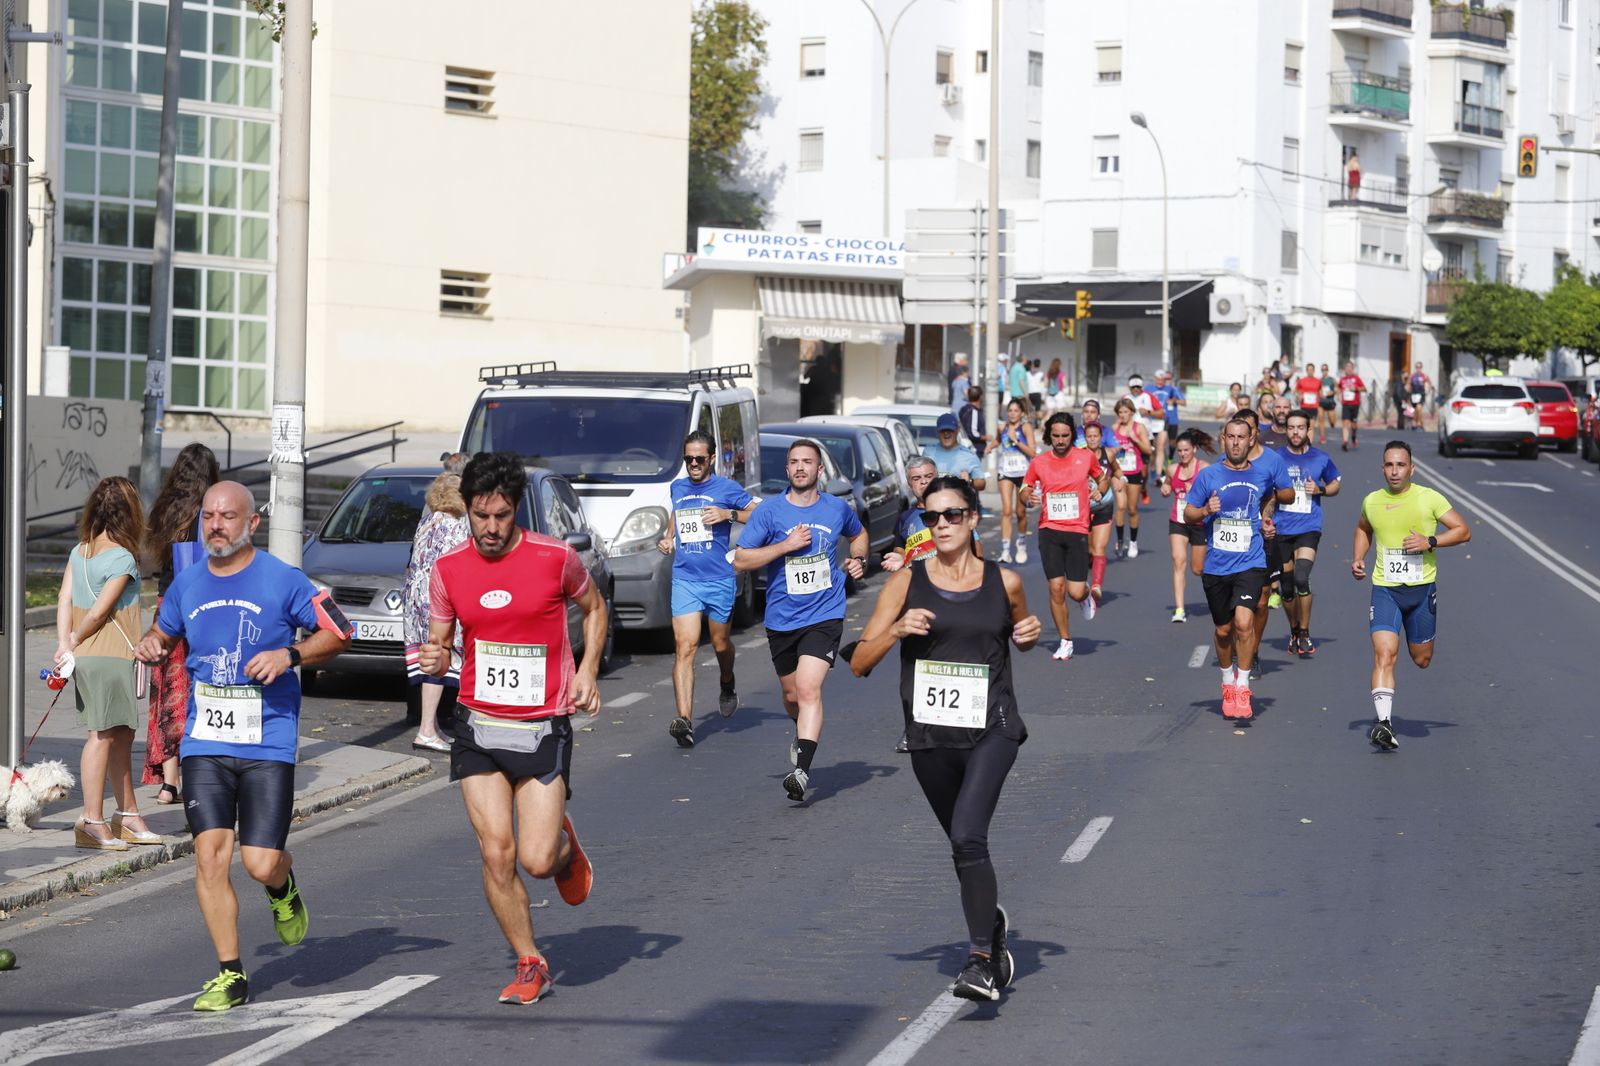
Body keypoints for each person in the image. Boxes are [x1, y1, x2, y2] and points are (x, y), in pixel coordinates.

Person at [133, 481, 354, 1011]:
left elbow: (341, 631)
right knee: (210, 857)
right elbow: (165, 634)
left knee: (259, 862)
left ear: (251, 523)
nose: (216, 525)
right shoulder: (186, 583)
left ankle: (282, 886)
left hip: (267, 743)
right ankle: (230, 973)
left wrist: (291, 656)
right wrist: (152, 644)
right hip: (204, 742)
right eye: (208, 516)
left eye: (228, 516)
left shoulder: (284, 579)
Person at [418, 453, 605, 1005]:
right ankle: (530, 961)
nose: (492, 529)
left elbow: (595, 610)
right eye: (481, 517)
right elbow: (441, 641)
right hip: (478, 725)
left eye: (501, 516)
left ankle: (565, 847)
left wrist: (589, 669)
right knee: (497, 853)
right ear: (467, 513)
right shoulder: (448, 569)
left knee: (537, 860)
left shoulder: (555, 559)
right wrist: (435, 657)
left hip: (541, 726)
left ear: (515, 509)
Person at [849, 475, 1041, 1003]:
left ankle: (980, 960)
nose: (941, 525)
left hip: (992, 729)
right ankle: (993, 927)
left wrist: (1030, 635)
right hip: (930, 735)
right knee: (962, 848)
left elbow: (1022, 635)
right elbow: (860, 663)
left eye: (952, 515)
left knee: (967, 837)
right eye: (931, 517)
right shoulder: (905, 584)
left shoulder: (1006, 581)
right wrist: (896, 630)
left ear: (974, 518)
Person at [735, 439, 867, 802]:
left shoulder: (837, 508)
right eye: (794, 462)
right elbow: (741, 560)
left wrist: (859, 559)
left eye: (807, 462)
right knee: (792, 695)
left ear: (819, 469)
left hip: (825, 613)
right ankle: (800, 730)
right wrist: (784, 546)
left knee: (810, 689)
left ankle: (801, 771)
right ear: (787, 469)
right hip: (781, 617)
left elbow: (859, 535)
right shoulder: (770, 513)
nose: (800, 468)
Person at [1351, 441, 1471, 750]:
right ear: (1382, 468)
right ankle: (1384, 724)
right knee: (1384, 653)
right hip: (1385, 590)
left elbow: (1463, 530)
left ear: (1411, 469)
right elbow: (1364, 529)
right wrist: (1358, 558)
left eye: (1400, 465)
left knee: (1422, 659)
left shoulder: (1428, 498)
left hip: (1421, 592)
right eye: (1389, 465)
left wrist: (1430, 541)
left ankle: (1414, 645)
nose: (1394, 471)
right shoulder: (1372, 501)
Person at [56, 476, 153, 852]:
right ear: (129, 515)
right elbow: (100, 611)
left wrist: (66, 643)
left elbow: (65, 599)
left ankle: (126, 813)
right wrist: (76, 639)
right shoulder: (122, 558)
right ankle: (92, 819)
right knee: (102, 735)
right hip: (112, 654)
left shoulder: (79, 552)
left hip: (88, 656)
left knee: (120, 734)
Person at [1183, 419, 1295, 720]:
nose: (1235, 442)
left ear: (1251, 440)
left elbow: (1273, 499)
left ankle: (1243, 686)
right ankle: (1227, 681)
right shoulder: (1209, 476)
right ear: (1223, 439)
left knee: (1244, 623)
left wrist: (1266, 521)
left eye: (1241, 437)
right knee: (1223, 631)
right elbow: (1188, 512)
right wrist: (1206, 510)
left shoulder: (1262, 474)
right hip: (1217, 565)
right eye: (1230, 437)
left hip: (1251, 561)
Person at [658, 430, 759, 748]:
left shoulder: (727, 488)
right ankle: (684, 720)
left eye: (700, 459)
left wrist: (728, 514)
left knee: (719, 644)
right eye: (688, 459)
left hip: (718, 578)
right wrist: (668, 535)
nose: (694, 464)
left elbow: (760, 514)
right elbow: (677, 512)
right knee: (684, 648)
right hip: (685, 578)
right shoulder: (677, 486)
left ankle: (726, 681)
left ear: (712, 458)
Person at [141, 442, 219, 802]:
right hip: (206, 605)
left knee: (168, 691)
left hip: (167, 605)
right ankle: (201, 771)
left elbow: (157, 561)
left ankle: (169, 782)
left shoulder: (165, 509)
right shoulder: (212, 513)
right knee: (201, 686)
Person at [1020, 413, 1109, 661]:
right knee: (1056, 588)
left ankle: (1086, 596)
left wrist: (1100, 492)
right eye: (1056, 436)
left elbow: (1103, 478)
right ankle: (1065, 640)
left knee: (1075, 591)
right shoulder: (1039, 462)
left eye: (1065, 436)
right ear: (1050, 436)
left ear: (1072, 435)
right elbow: (1024, 488)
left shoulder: (1085, 457)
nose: (1060, 440)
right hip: (1049, 529)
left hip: (1078, 530)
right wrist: (1028, 497)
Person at [403, 473, 469, 752]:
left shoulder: (426, 522)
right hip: (440, 602)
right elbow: (461, 565)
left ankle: (430, 727)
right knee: (441, 660)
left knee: (428, 660)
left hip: (416, 602)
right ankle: (427, 729)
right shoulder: (456, 526)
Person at [1274, 411, 1341, 656]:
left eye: (1300, 427)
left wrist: (1320, 489)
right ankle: (1293, 628)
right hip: (1281, 527)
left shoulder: (1320, 458)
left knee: (1302, 578)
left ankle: (1304, 630)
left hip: (1308, 526)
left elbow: (1336, 484)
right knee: (1287, 587)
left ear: (1308, 430)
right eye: (1291, 428)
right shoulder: (1276, 458)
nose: (1295, 432)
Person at [1160, 429, 1215, 623]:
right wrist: (1165, 489)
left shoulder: (1204, 469)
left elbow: (1215, 495)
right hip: (1179, 521)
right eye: (1180, 451)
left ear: (1194, 449)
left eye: (1186, 450)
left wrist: (1199, 493)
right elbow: (1167, 485)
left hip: (1200, 522)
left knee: (1197, 569)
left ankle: (1216, 590)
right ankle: (1180, 609)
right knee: (1178, 560)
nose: (1183, 454)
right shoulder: (1173, 469)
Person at [1080, 421, 1121, 604]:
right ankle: (1087, 573)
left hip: (1104, 505)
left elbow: (1118, 470)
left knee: (1099, 547)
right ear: (1085, 438)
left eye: (1096, 436)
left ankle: (1096, 586)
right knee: (1087, 549)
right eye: (1089, 436)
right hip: (1084, 508)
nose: (1093, 439)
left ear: (1101, 437)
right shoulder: (1079, 456)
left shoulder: (1109, 453)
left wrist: (1121, 479)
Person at [1108, 399, 1153, 559]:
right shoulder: (1114, 428)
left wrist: (1135, 439)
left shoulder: (1139, 428)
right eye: (1120, 412)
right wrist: (1114, 449)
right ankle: (1120, 540)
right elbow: (1108, 448)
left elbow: (1148, 450)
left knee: (1132, 509)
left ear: (1132, 412)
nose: (1123, 415)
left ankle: (1133, 541)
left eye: (1126, 412)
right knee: (1120, 507)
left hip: (1135, 472)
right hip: (1118, 471)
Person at [994, 400, 1038, 564]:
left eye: (1015, 411)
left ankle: (1021, 543)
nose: (1012, 413)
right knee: (1006, 510)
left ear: (1021, 413)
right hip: (1005, 471)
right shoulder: (1002, 427)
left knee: (1020, 512)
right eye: (1010, 410)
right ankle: (1005, 550)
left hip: (1022, 473)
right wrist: (990, 446)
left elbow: (1033, 452)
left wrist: (1016, 441)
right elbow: (999, 440)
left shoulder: (1025, 428)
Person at [926, 413, 987, 489]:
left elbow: (982, 484)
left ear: (958, 430)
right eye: (943, 430)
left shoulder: (969, 455)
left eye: (950, 430)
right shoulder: (928, 452)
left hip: (958, 499)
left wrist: (970, 481)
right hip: (933, 500)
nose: (946, 433)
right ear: (937, 432)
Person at [1125, 375, 1167, 480]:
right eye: (1133, 387)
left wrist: (1149, 412)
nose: (1136, 389)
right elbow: (1118, 416)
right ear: (1129, 387)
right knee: (1129, 466)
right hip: (1129, 436)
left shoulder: (1148, 396)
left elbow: (1162, 413)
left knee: (1144, 470)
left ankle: (1143, 487)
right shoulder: (1125, 398)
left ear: (1141, 386)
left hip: (1146, 436)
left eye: (1138, 387)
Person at [1151, 369, 1186, 462]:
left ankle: (1170, 457)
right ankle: (1160, 461)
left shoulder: (1174, 390)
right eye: (1165, 378)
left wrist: (1174, 401)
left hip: (1172, 419)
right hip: (1159, 420)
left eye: (1169, 378)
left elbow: (1184, 402)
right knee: (1159, 444)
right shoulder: (1155, 389)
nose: (1167, 380)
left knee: (1172, 442)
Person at [1338, 361, 1367, 451]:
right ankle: (1345, 441)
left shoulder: (1356, 378)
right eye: (1347, 367)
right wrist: (1339, 395)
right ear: (1345, 369)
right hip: (1346, 404)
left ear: (1352, 368)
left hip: (1355, 404)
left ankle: (1353, 436)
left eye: (1350, 367)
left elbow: (1364, 389)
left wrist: (1356, 388)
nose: (1348, 369)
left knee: (1354, 425)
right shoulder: (1342, 379)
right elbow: (1339, 388)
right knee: (1345, 423)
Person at [957, 385, 987, 458]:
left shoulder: (963, 409)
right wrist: (986, 437)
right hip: (974, 449)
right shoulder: (974, 412)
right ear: (980, 397)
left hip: (965, 447)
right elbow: (973, 433)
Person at [1407, 361, 1432, 432]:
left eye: (1420, 367)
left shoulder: (1424, 376)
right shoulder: (1412, 376)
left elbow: (1429, 383)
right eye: (1417, 367)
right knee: (1415, 411)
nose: (1418, 369)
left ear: (1421, 368)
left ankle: (1418, 424)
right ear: (1415, 368)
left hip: (1421, 394)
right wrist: (1409, 390)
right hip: (1414, 395)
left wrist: (1428, 390)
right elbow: (1408, 384)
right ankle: (1415, 423)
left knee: (1419, 408)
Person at [1318, 363, 1339, 445]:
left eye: (1325, 369)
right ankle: (1322, 437)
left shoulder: (1332, 380)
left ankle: (1332, 424)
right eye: (1323, 370)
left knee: (1332, 420)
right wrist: (1319, 394)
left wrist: (1332, 392)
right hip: (1321, 402)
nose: (1324, 371)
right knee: (1321, 419)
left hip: (1330, 401)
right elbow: (1317, 389)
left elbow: (1337, 390)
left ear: (1328, 370)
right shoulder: (1319, 380)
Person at [949, 354, 971, 418]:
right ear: (964, 373)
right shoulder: (963, 382)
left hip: (954, 406)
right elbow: (967, 394)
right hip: (961, 407)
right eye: (967, 373)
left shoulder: (955, 381)